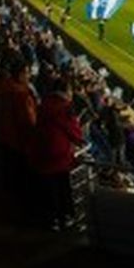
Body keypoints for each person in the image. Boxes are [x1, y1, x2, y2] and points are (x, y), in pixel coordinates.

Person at [32, 76, 84, 231]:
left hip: (43, 150)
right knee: (62, 188)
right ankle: (65, 218)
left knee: (50, 188)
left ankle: (52, 219)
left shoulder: (45, 103)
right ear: (65, 91)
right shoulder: (64, 107)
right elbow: (75, 132)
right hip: (59, 154)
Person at [0, 59, 38, 202]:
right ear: (19, 74)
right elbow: (28, 121)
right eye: (27, 73)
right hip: (19, 142)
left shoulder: (2, 88)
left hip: (4, 136)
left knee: (8, 171)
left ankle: (10, 199)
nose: (29, 76)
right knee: (21, 177)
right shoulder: (21, 94)